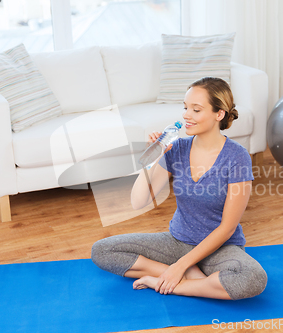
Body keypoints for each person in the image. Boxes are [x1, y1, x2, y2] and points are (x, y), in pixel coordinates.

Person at [91, 77, 267, 300]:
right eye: (185, 108)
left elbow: (227, 228)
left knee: (252, 278)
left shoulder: (237, 156)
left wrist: (178, 267)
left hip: (219, 248)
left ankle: (172, 283)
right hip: (176, 241)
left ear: (219, 114)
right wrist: (152, 158)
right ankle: (199, 282)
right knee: (102, 251)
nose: (186, 115)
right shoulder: (176, 149)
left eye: (196, 109)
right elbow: (139, 201)